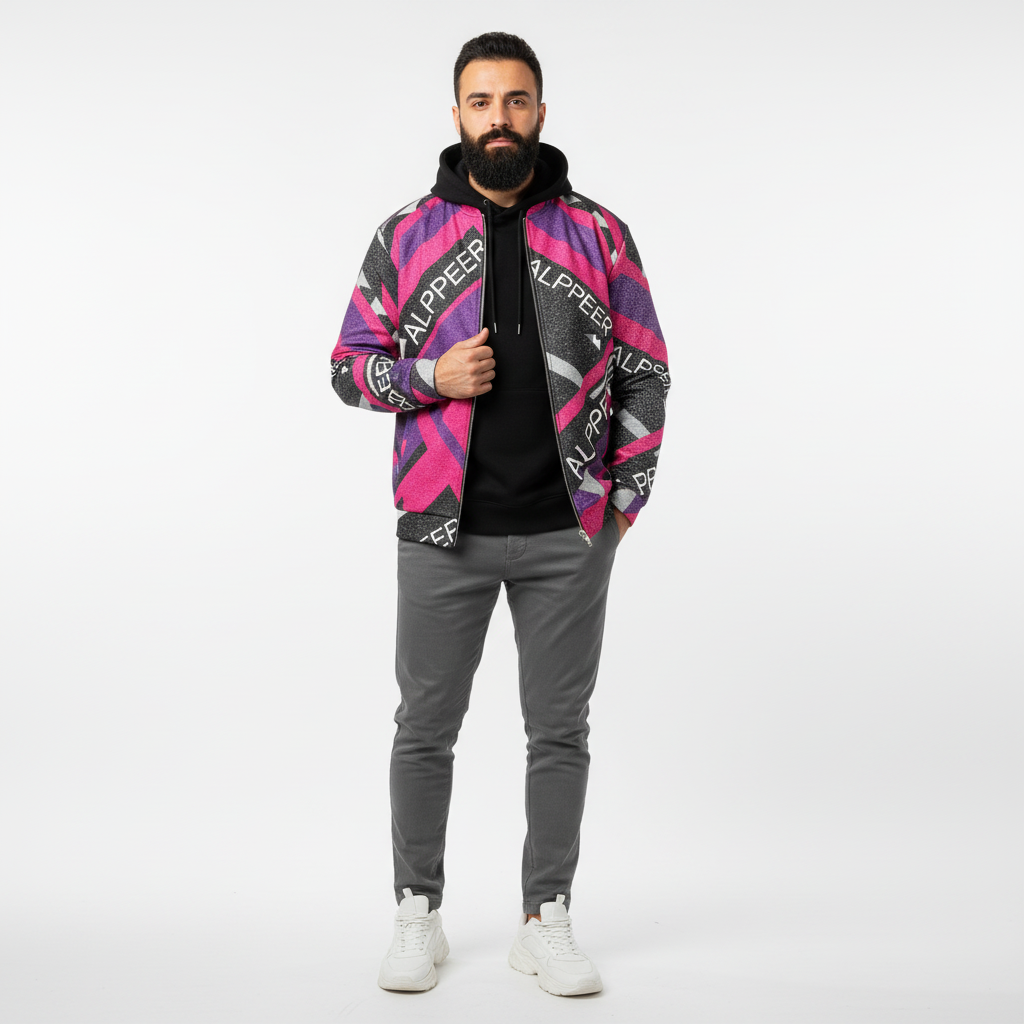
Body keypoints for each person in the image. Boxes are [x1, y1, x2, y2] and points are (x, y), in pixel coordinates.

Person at [330, 31, 670, 997]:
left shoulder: (600, 233)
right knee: (424, 727)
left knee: (559, 730)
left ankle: (544, 917)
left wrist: (622, 504)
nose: (499, 120)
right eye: (481, 102)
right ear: (457, 116)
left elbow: (646, 368)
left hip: (569, 532)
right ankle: (418, 911)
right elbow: (348, 366)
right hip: (443, 529)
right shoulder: (406, 234)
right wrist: (428, 376)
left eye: (516, 101)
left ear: (540, 112)